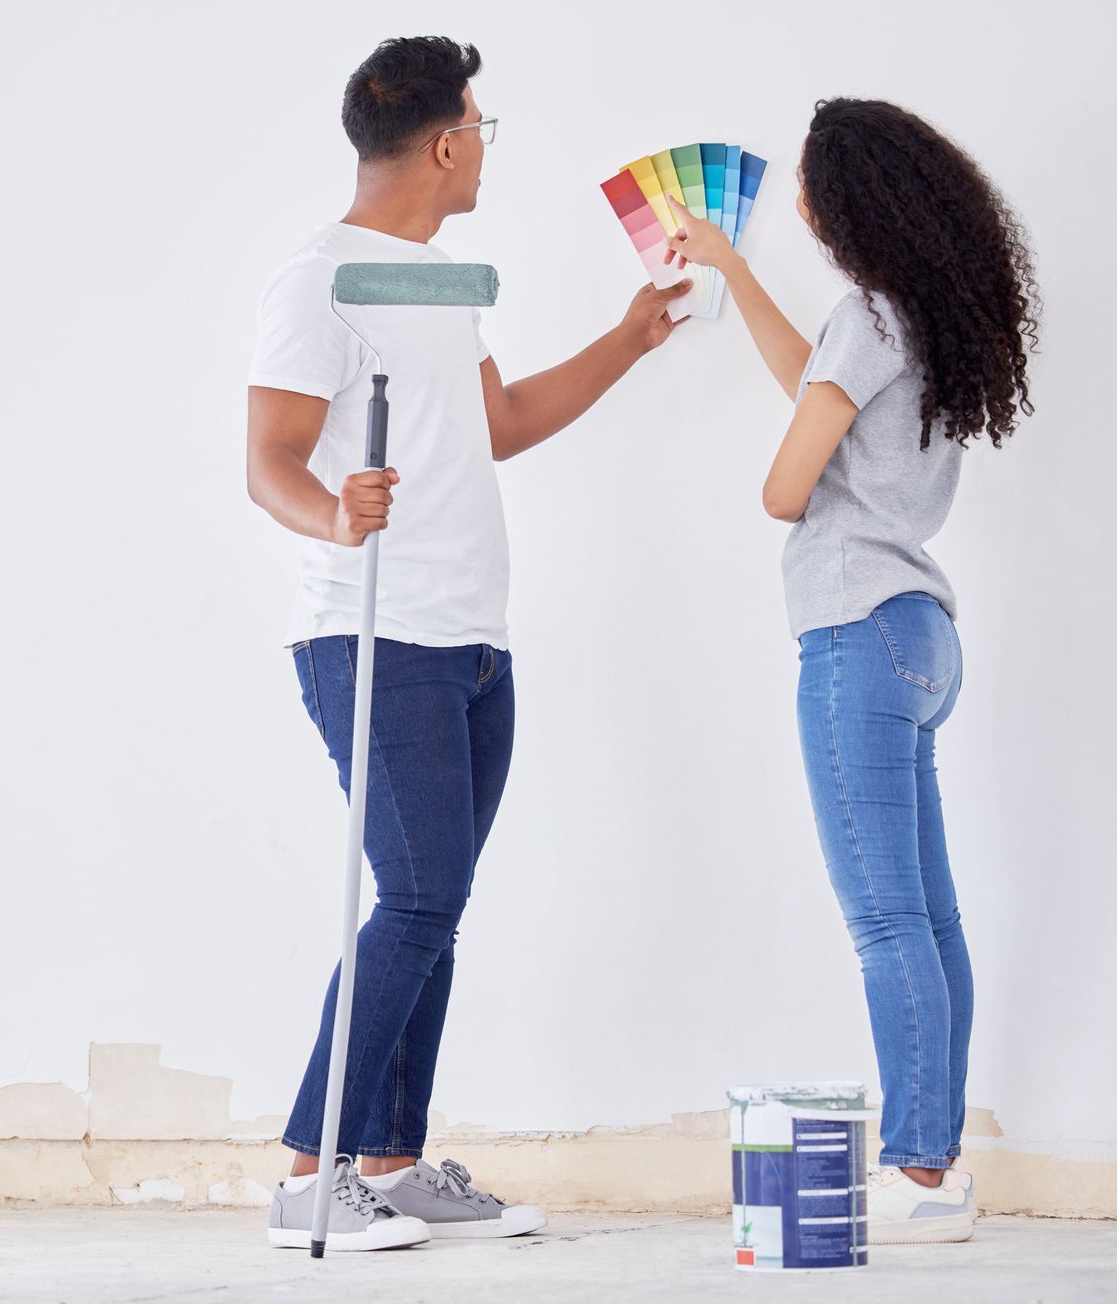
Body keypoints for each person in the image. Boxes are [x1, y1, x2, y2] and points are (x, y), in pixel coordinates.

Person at [245, 35, 691, 1250]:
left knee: (435, 902)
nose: (486, 146)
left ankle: (387, 1161)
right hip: (372, 631)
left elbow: (497, 421)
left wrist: (628, 339)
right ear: (446, 142)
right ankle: (305, 1168)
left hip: (470, 641)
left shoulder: (434, 279)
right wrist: (335, 513)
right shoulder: (319, 277)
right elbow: (267, 461)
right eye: (482, 128)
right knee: (421, 892)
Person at [666, 97, 1039, 1244]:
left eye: (816, 191)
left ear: (848, 204)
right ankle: (939, 1165)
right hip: (920, 632)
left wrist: (793, 477)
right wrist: (729, 260)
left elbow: (786, 488)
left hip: (853, 629)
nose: (809, 207)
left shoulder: (867, 319)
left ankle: (918, 1174)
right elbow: (813, 377)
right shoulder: (916, 319)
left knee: (885, 922)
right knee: (928, 915)